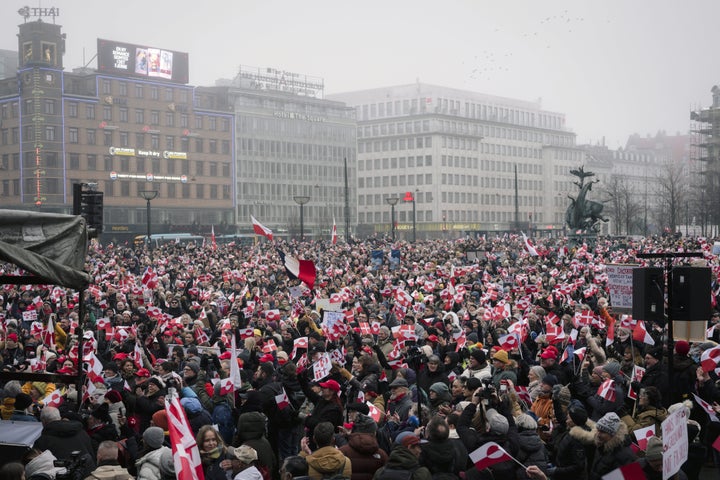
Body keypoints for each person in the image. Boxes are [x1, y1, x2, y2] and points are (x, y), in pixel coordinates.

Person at [34, 407, 95, 476]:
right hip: (88, 474)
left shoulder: (42, 441)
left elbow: (37, 467)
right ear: (59, 417)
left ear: (43, 421)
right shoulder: (81, 432)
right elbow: (92, 454)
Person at [589, 412, 636, 480]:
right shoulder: (603, 445)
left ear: (613, 435)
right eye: (598, 430)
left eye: (602, 432)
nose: (598, 434)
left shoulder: (627, 456)